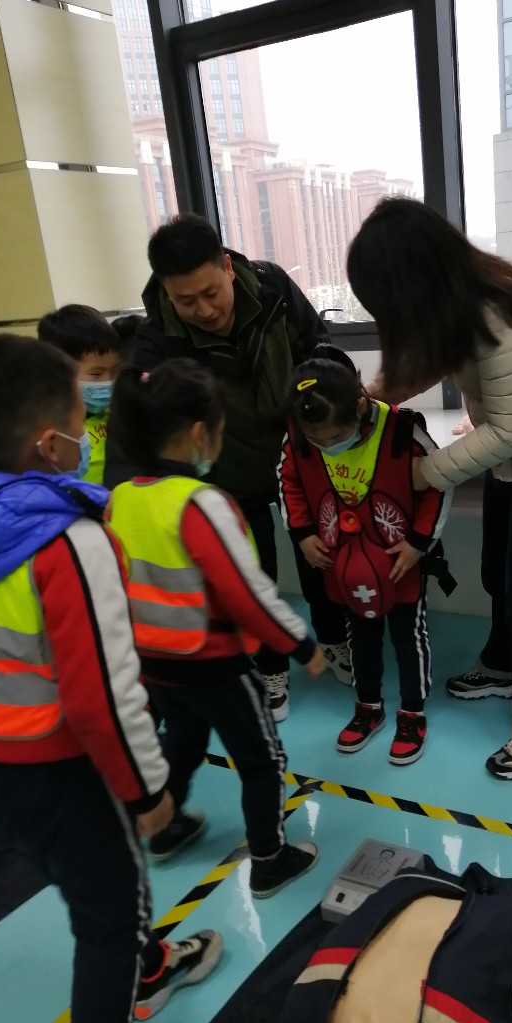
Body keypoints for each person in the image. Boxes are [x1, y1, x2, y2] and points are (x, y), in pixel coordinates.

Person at [0, 336, 221, 1023]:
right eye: (78, 418)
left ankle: (151, 964)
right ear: (49, 444)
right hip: (64, 772)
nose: (88, 433)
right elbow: (103, 691)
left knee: (96, 891)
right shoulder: (71, 542)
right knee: (109, 913)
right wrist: (149, 789)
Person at [346, 198, 512, 781]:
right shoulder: (453, 304)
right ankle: (504, 664)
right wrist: (373, 398)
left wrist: (424, 474)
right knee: (499, 569)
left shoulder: (499, 315)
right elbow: (430, 363)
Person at [106, 357, 323, 888]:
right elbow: (246, 591)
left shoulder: (120, 499)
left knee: (182, 741)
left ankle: (166, 827)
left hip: (155, 664)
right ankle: (270, 860)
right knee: (262, 760)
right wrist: (299, 643)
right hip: (216, 665)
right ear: (201, 433)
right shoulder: (201, 503)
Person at [128, 213, 350, 720]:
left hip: (298, 457)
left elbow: (319, 345)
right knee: (252, 571)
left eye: (211, 292)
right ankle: (270, 668)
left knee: (319, 556)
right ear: (166, 293)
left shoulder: (273, 288)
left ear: (227, 267)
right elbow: (143, 417)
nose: (204, 310)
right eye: (186, 301)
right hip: (226, 471)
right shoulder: (157, 339)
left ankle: (334, 639)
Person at [279, 346, 451, 766]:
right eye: (318, 441)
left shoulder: (403, 430)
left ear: (359, 406)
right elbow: (289, 482)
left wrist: (418, 543)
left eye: (335, 437)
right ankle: (369, 706)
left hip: (400, 560)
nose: (327, 446)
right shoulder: (300, 433)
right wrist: (302, 534)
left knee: (408, 638)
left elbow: (438, 484)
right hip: (344, 565)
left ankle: (412, 713)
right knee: (361, 638)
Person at [37, 304, 120, 486]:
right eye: (96, 374)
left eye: (114, 372)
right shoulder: (51, 427)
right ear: (60, 372)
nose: (108, 382)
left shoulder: (116, 414)